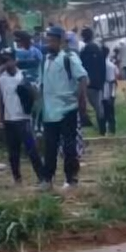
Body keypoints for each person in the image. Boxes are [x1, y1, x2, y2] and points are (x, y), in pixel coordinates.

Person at [40, 26, 88, 188]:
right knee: (50, 146)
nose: (49, 44)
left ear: (60, 41)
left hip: (68, 109)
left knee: (69, 145)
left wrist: (81, 100)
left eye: (53, 41)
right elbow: (42, 84)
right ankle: (48, 178)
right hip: (49, 111)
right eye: (48, 41)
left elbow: (82, 78)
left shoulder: (69, 58)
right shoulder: (45, 60)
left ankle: (71, 178)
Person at [0, 49, 44, 184]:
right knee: (13, 152)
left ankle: (42, 176)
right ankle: (17, 178)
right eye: (3, 61)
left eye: (8, 60)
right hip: (9, 121)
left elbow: (36, 95)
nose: (6, 64)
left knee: (31, 148)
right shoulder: (1, 78)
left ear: (15, 61)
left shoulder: (23, 76)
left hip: (23, 120)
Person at [78, 26, 107, 129]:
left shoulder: (84, 50)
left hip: (88, 82)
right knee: (97, 105)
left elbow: (81, 66)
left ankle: (101, 126)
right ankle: (102, 126)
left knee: (95, 105)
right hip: (98, 82)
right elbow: (102, 66)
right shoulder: (97, 49)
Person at [101, 44, 118, 135]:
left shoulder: (102, 65)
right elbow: (115, 79)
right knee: (110, 110)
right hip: (109, 88)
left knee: (104, 110)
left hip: (105, 89)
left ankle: (105, 129)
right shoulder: (111, 65)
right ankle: (111, 129)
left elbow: (113, 80)